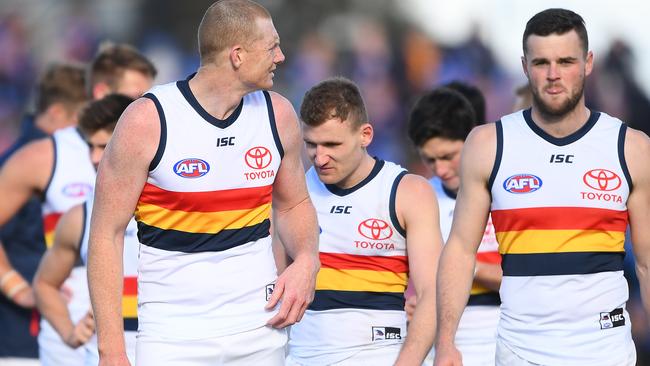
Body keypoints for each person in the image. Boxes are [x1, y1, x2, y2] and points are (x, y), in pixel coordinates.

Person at [86, 1, 320, 365]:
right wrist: (111, 350)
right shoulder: (148, 120)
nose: (282, 56)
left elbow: (292, 205)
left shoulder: (278, 114)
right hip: (173, 336)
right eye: (272, 46)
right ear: (237, 55)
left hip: (261, 331)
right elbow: (105, 233)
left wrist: (307, 259)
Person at [434, 8, 650, 366]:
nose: (553, 75)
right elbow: (459, 251)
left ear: (588, 63)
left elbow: (646, 262)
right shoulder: (489, 144)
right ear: (524, 66)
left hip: (605, 351)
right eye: (541, 62)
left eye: (566, 61)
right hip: (520, 351)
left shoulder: (631, 147)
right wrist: (445, 343)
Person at [0, 44, 155, 366]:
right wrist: (16, 288)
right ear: (102, 91)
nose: (147, 105)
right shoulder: (47, 153)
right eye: (137, 94)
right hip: (70, 337)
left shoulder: (156, 146)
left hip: (146, 330)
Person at [286, 77, 442, 365]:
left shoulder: (408, 192)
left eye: (332, 144)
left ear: (365, 135)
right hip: (301, 355)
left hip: (379, 355)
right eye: (311, 144)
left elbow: (433, 293)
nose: (320, 158)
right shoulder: (292, 192)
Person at [32, 95, 135, 366]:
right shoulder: (79, 215)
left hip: (174, 347)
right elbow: (44, 284)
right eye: (90, 147)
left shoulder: (174, 202)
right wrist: (69, 333)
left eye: (103, 146)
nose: (94, 158)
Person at [0, 63, 87, 365]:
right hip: (22, 337)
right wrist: (19, 288)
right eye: (81, 121)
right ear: (57, 113)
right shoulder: (27, 162)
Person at [407, 87, 501, 365]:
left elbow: (533, 281)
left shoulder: (509, 195)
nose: (440, 169)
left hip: (504, 333)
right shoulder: (416, 199)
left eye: (448, 156)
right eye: (429, 159)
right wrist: (407, 305)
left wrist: (468, 268)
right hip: (438, 343)